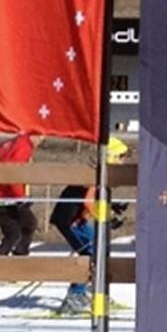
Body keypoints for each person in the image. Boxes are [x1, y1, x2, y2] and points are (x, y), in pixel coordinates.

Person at [48, 135, 131, 315]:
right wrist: (105, 218)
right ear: (111, 156)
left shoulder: (100, 173)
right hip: (70, 220)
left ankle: (91, 290)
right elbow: (88, 202)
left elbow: (94, 199)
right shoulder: (95, 175)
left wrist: (113, 207)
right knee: (90, 253)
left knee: (100, 250)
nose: (123, 161)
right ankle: (74, 296)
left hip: (79, 219)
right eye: (120, 157)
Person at [0, 133, 43, 256]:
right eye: (40, 137)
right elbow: (13, 172)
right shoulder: (23, 147)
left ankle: (15, 255)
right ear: (33, 135)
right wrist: (21, 197)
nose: (40, 141)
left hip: (0, 193)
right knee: (21, 229)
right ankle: (11, 259)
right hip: (7, 195)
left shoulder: (12, 143)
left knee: (21, 228)